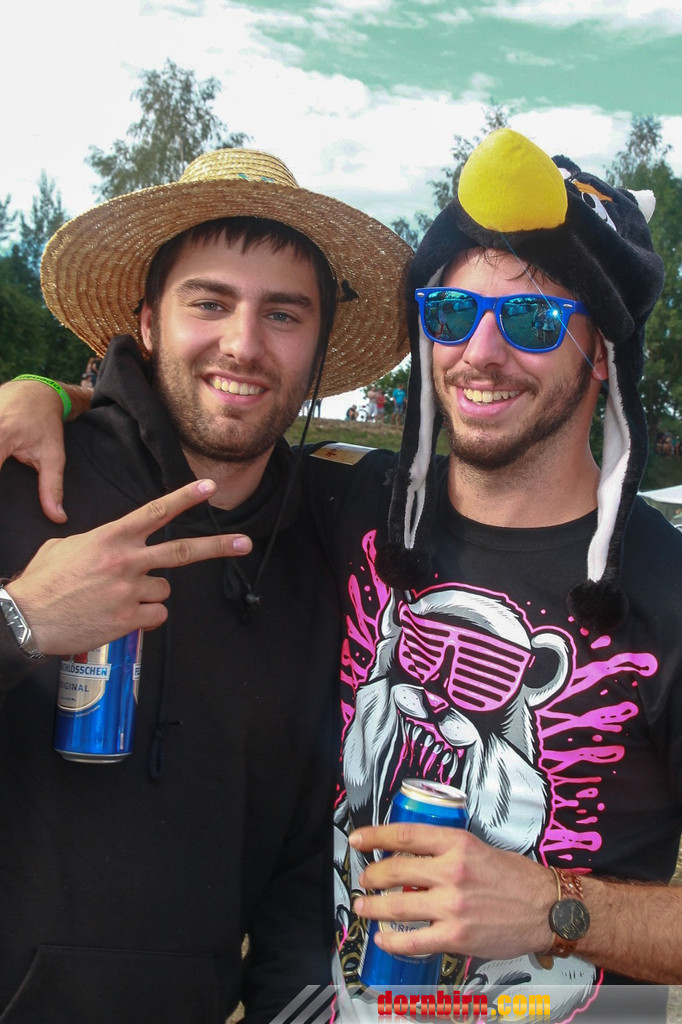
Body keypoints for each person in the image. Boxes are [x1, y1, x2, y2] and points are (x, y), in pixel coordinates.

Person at [4, 130, 682, 1022]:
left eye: (531, 320)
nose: (480, 352)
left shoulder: (663, 590)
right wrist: (49, 406)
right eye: (451, 313)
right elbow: (180, 418)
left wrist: (556, 909)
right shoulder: (344, 505)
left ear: (602, 352)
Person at [0, 147, 410, 1024]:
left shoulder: (330, 547)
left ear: (319, 349)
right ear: (148, 324)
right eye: (210, 303)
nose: (244, 345)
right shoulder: (23, 474)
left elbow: (303, 866)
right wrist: (19, 619)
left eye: (284, 314)